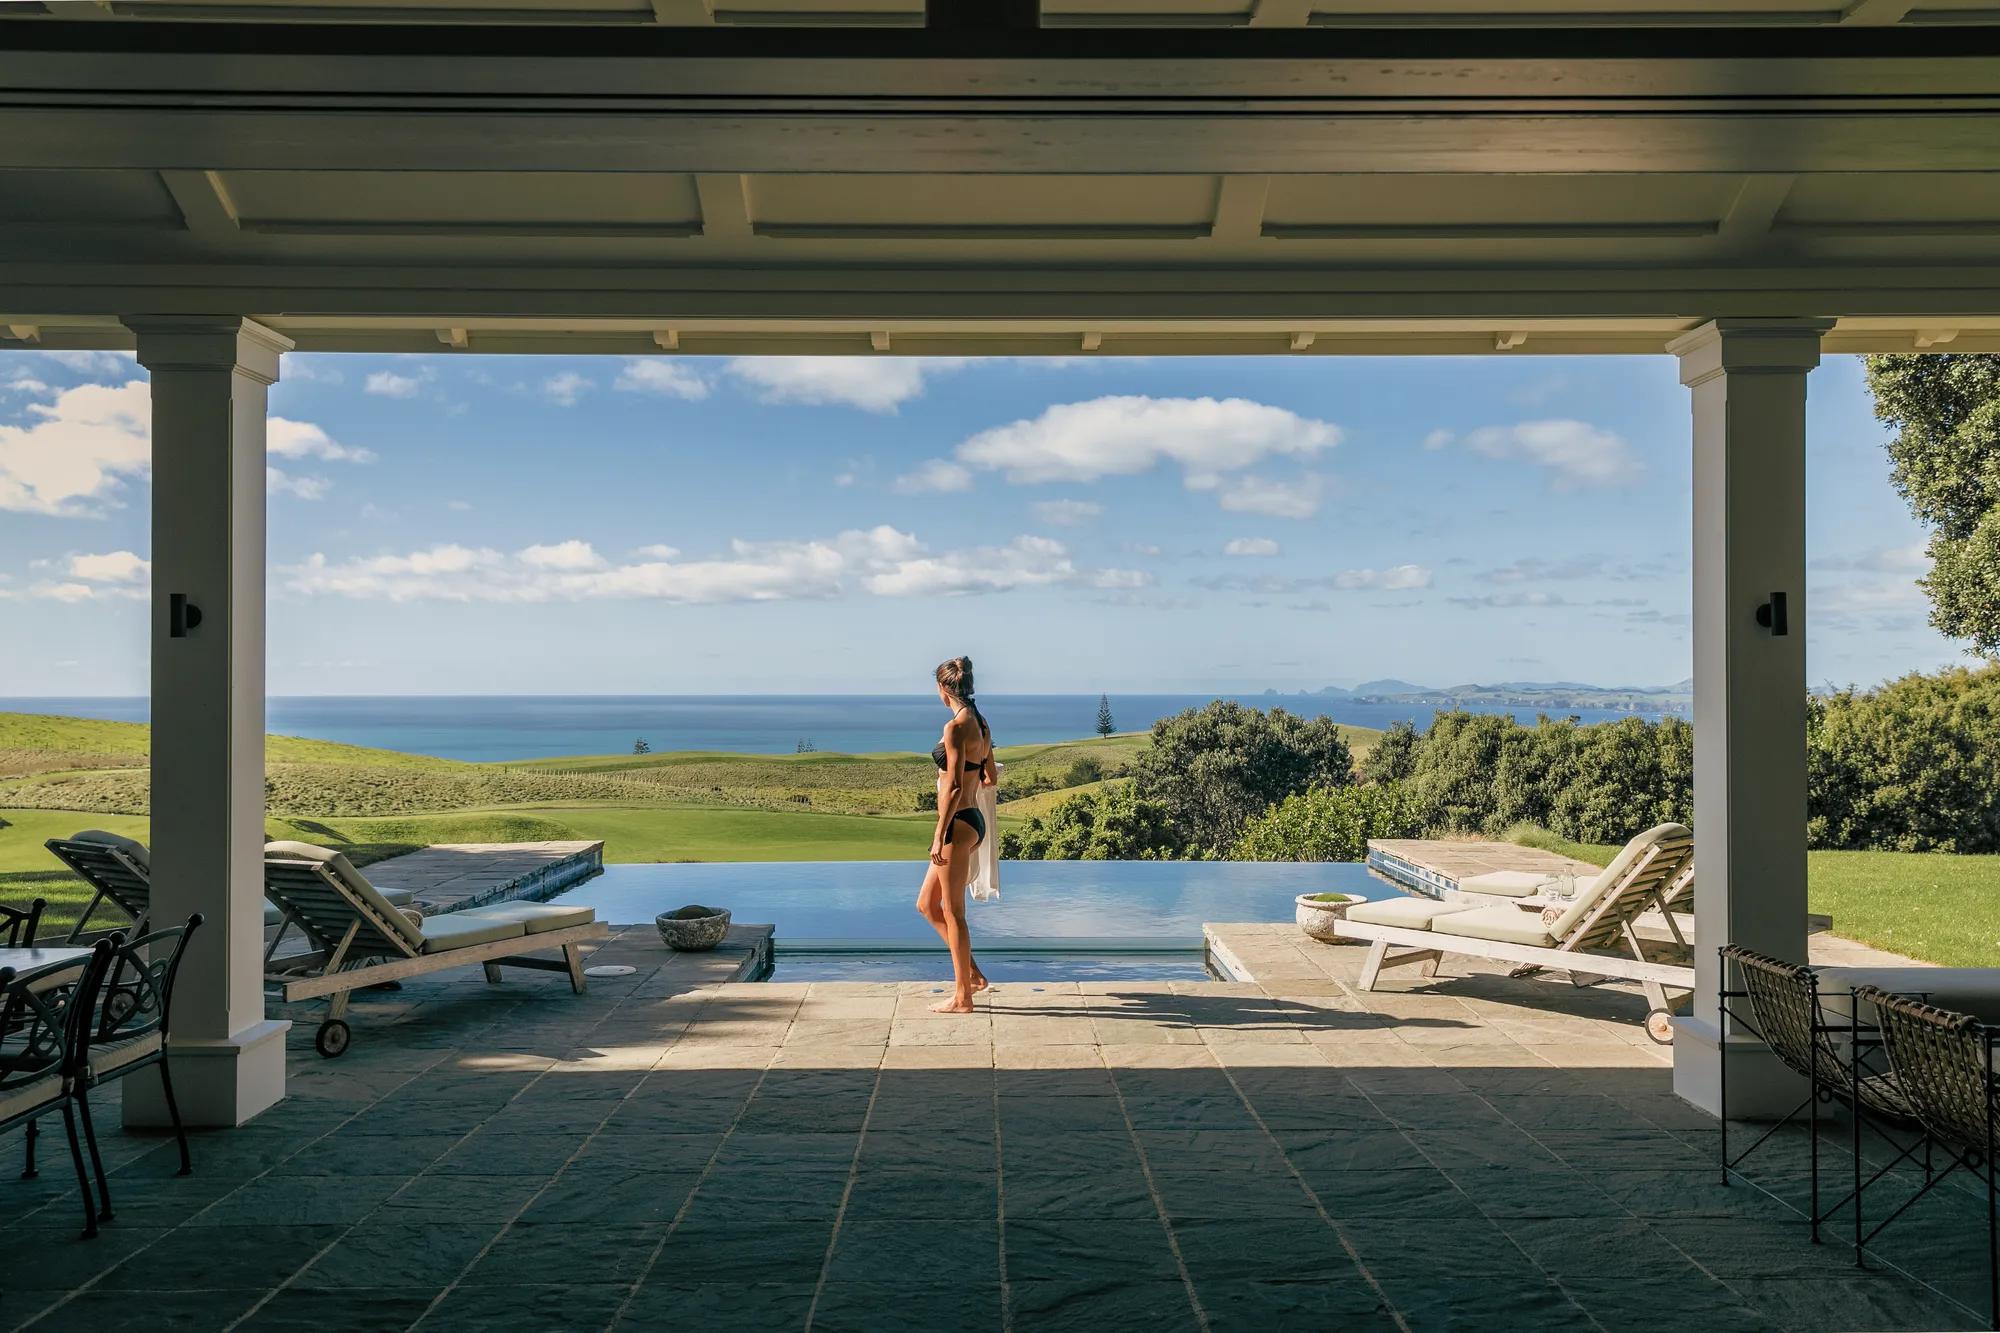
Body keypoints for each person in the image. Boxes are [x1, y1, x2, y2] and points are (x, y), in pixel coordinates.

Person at [915, 655, 996, 1013]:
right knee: (927, 905)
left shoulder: (955, 728)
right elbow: (990, 776)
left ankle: (963, 997)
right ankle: (973, 976)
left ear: (943, 688)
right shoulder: (981, 722)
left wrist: (938, 834)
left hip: (956, 824)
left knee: (953, 912)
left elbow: (952, 788)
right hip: (973, 820)